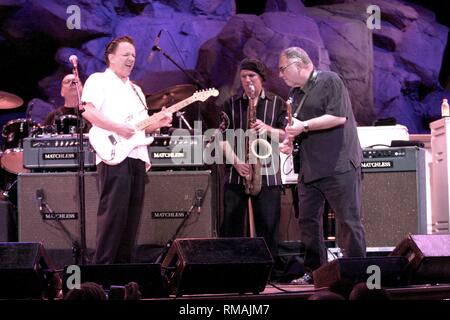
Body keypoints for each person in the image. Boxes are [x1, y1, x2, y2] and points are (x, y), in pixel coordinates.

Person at [278, 47, 366, 285]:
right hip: (310, 169)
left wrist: (303, 127)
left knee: (348, 220)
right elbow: (297, 126)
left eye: (283, 68)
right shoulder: (294, 94)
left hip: (339, 164)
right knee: (307, 222)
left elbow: (338, 117)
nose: (280, 74)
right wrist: (289, 141)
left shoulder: (329, 80)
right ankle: (315, 272)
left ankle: (356, 272)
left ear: (300, 65)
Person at [81, 35, 172, 264]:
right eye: (125, 54)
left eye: (133, 55)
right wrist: (117, 128)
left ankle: (123, 273)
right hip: (114, 155)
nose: (131, 58)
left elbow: (140, 126)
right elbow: (88, 112)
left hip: (137, 154)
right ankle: (101, 272)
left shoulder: (137, 90)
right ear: (111, 57)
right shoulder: (98, 80)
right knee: (113, 215)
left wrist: (158, 123)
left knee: (132, 218)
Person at [219, 58, 287, 260]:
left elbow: (286, 135)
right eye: (243, 77)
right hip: (236, 173)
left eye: (252, 76)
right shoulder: (231, 103)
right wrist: (236, 162)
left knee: (268, 225)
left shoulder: (277, 103)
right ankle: (233, 269)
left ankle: (269, 272)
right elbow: (220, 137)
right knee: (232, 226)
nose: (247, 80)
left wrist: (267, 129)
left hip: (267, 173)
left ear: (262, 79)